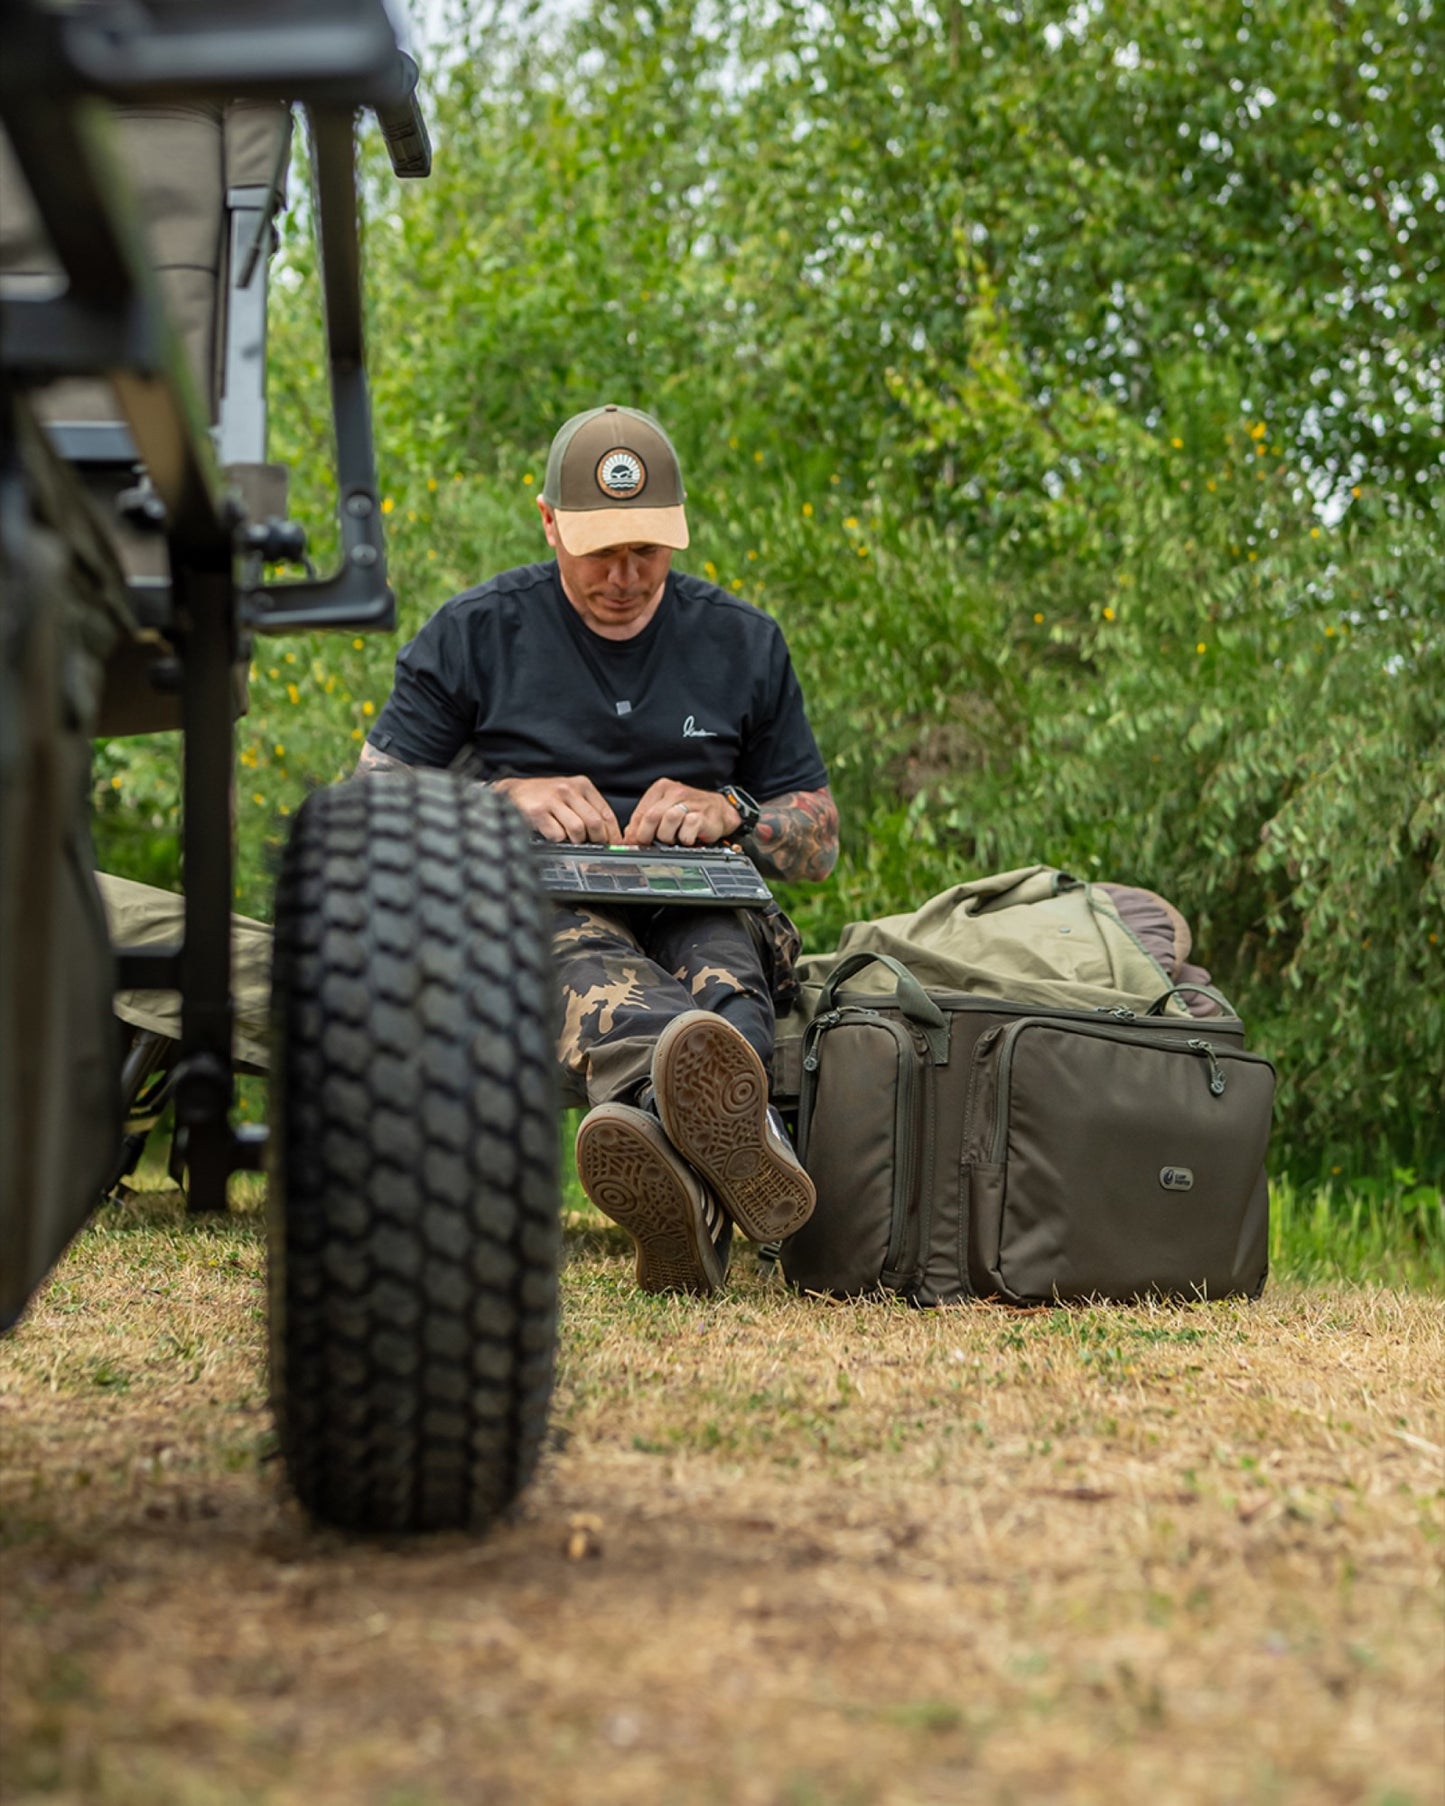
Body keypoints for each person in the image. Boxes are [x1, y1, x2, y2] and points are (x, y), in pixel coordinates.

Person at [359, 404, 838, 1295]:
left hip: (704, 900)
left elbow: (817, 840)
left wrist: (734, 811)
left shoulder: (742, 642)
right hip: (542, 908)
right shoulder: (475, 632)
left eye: (646, 553)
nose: (623, 576)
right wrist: (496, 798)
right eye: (598, 551)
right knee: (590, 973)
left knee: (725, 968)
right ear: (548, 523)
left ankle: (683, 1175)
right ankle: (731, 1148)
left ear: (677, 536)